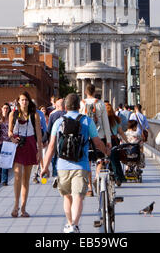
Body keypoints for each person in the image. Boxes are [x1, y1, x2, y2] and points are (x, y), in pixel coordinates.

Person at [40, 93, 110, 234]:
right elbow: (96, 142)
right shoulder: (87, 121)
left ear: (65, 107)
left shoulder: (58, 122)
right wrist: (106, 151)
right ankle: (75, 226)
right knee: (78, 196)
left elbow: (52, 146)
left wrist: (45, 167)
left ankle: (69, 223)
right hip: (81, 164)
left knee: (67, 196)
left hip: (62, 165)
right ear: (79, 106)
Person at [8, 91, 43, 218]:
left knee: (26, 179)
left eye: (26, 100)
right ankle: (15, 205)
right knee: (17, 175)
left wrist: (39, 151)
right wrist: (12, 138)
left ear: (29, 102)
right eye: (22, 100)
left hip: (30, 144)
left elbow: (38, 134)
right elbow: (9, 132)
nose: (24, 102)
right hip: (18, 145)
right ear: (18, 101)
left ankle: (23, 207)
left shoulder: (34, 115)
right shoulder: (13, 114)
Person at [80, 84, 111, 196]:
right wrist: (108, 140)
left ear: (85, 92)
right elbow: (105, 123)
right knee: (100, 159)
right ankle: (97, 177)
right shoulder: (100, 104)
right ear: (95, 92)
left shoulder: (81, 104)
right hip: (99, 135)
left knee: (87, 161)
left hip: (86, 137)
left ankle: (89, 187)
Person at [104, 102, 128, 185]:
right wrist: (127, 142)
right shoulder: (116, 120)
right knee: (115, 159)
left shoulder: (102, 120)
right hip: (114, 140)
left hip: (105, 140)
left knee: (106, 159)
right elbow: (121, 132)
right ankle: (119, 177)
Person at [46, 98, 66, 185]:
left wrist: (43, 140)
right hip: (66, 141)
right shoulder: (68, 114)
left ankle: (55, 175)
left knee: (54, 158)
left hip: (55, 140)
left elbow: (48, 130)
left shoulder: (53, 115)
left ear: (56, 106)